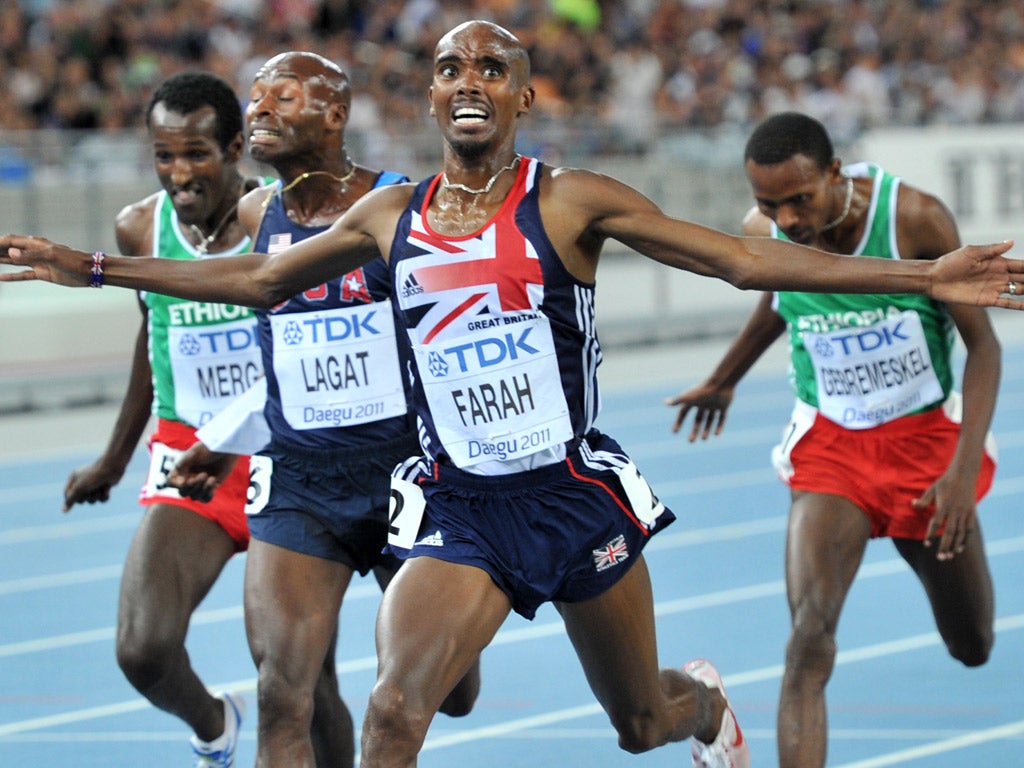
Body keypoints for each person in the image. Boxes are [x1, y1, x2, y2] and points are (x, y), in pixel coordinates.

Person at [2, 21, 1022, 768]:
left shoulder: (569, 200)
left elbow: (742, 264)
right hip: (457, 506)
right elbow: (251, 279)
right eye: (449, 67)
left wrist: (924, 278)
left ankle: (701, 712)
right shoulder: (388, 214)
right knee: (394, 711)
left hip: (571, 495)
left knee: (637, 722)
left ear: (523, 98)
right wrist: (93, 267)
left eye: (493, 66)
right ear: (432, 99)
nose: (469, 80)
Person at [165, 51, 479, 768]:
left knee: (447, 694)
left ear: (336, 116)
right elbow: (286, 349)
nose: (261, 109)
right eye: (256, 97)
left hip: (411, 474)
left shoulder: (406, 206)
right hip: (301, 476)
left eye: (284, 96)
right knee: (283, 691)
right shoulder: (256, 211)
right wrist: (225, 436)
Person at [667, 111, 1001, 768]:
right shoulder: (762, 232)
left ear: (834, 174)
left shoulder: (915, 220)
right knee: (808, 642)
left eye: (800, 199)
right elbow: (776, 294)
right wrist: (724, 378)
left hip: (926, 449)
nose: (785, 220)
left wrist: (962, 469)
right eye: (769, 204)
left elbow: (984, 347)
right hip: (833, 449)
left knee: (973, 644)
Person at [55, 70, 268, 767]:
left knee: (299, 673)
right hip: (190, 452)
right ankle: (214, 726)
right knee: (142, 649)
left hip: (278, 451)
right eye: (164, 155)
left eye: (197, 154)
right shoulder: (140, 225)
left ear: (236, 146)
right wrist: (113, 461)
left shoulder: (274, 219)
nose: (179, 173)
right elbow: (154, 339)